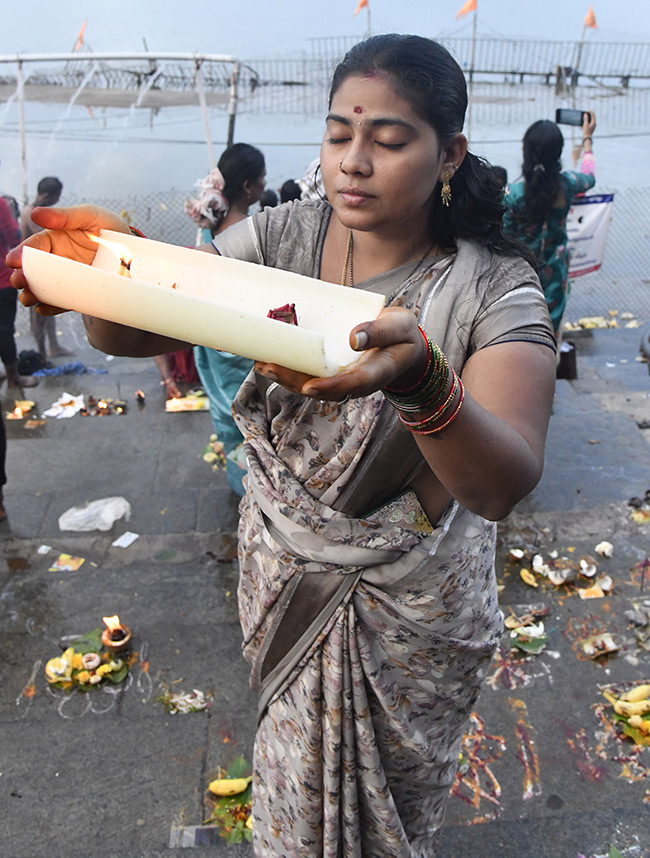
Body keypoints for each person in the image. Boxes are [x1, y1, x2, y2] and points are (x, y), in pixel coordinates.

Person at [9, 34, 556, 857]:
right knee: (293, 807)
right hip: (286, 573)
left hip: (413, 614)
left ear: (450, 154)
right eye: (339, 135)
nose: (353, 162)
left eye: (388, 139)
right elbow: (136, 325)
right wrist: (107, 263)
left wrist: (423, 384)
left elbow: (501, 484)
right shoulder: (282, 239)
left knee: (392, 822)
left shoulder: (492, 287)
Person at [184, 144, 266, 494]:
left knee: (228, 421)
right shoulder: (253, 236)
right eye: (262, 178)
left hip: (210, 347)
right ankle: (262, 490)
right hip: (244, 349)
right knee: (258, 422)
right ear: (248, 187)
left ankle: (240, 485)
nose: (265, 184)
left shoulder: (209, 232)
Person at [502, 112, 596, 335]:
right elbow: (590, 175)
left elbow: (500, 240)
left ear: (525, 151)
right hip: (555, 282)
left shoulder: (511, 196)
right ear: (559, 154)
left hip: (519, 284)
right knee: (547, 338)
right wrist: (587, 139)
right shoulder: (568, 185)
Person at [20, 176, 74, 361]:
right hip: (34, 269)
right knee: (39, 315)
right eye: (57, 195)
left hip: (43, 267)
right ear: (48, 194)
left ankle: (54, 346)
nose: (57, 200)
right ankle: (42, 353)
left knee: (48, 310)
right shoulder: (32, 212)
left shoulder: (35, 210)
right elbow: (43, 237)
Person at [0, 193, 37, 389]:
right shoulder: (0, 205)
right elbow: (14, 238)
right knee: (4, 330)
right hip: (1, 281)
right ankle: (14, 380)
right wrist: (10, 213)